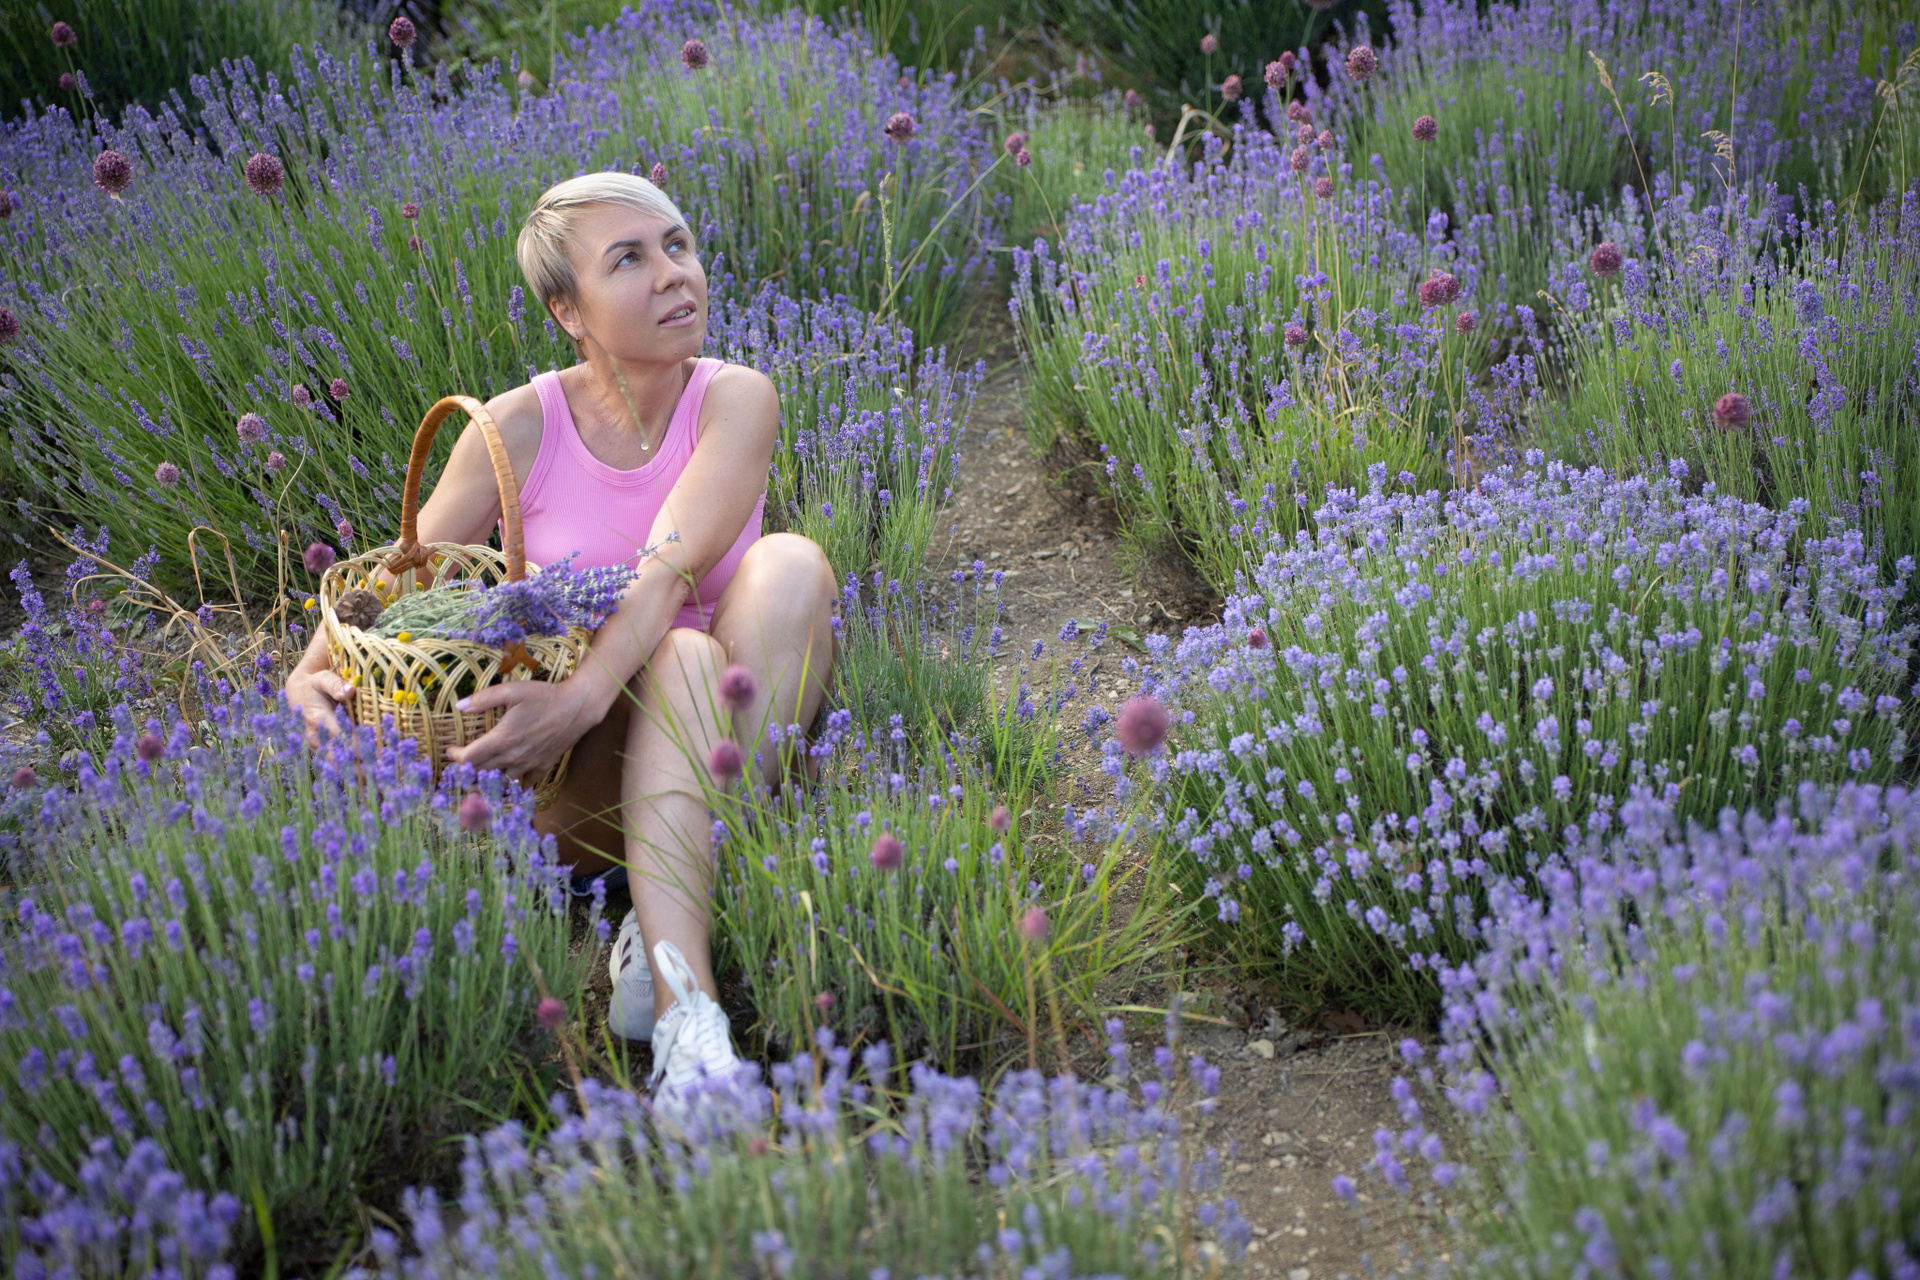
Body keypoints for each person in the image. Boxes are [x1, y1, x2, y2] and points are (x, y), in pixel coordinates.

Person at [282, 171, 837, 1125]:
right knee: (685, 658)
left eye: (678, 245)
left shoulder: (736, 398)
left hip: (706, 747)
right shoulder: (516, 428)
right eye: (629, 259)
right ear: (567, 312)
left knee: (786, 569)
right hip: (571, 777)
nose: (673, 273)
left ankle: (678, 997)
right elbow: (391, 592)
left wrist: (576, 698)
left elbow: (666, 575)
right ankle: (683, 972)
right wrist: (305, 682)